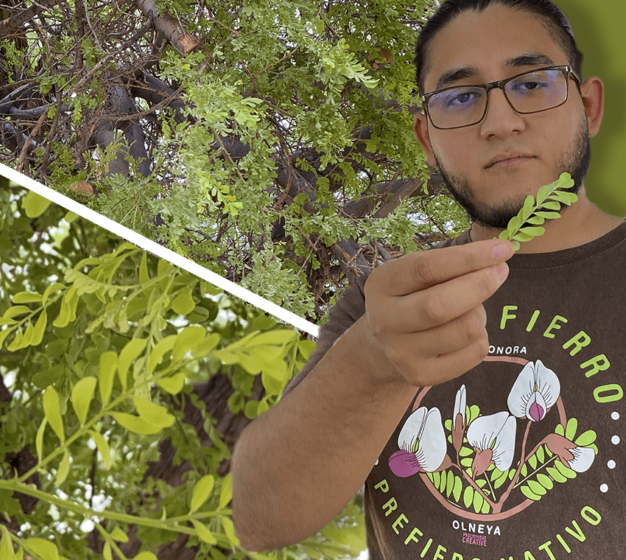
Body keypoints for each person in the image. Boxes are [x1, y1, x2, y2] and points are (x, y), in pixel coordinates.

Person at [230, 1, 626, 558]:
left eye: (532, 83)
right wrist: (372, 359)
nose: (500, 122)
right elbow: (259, 519)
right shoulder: (383, 299)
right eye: (461, 97)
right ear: (426, 139)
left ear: (587, 105)